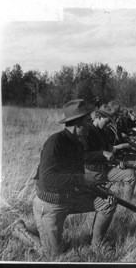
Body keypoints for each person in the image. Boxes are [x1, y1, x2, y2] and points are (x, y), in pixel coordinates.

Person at [32, 99, 117, 257]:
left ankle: (96, 247)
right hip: (51, 204)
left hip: (70, 197)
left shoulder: (77, 143)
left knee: (107, 203)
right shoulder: (55, 142)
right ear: (77, 123)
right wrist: (83, 179)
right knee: (53, 255)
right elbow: (47, 179)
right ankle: (21, 231)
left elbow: (77, 177)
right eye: (88, 121)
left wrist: (101, 192)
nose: (91, 124)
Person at [84, 104, 136, 200]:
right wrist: (105, 155)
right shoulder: (86, 132)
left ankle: (127, 203)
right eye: (107, 121)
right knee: (110, 199)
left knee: (130, 174)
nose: (109, 124)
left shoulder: (102, 131)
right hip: (92, 171)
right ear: (100, 117)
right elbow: (84, 156)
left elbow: (109, 150)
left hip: (104, 168)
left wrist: (116, 163)